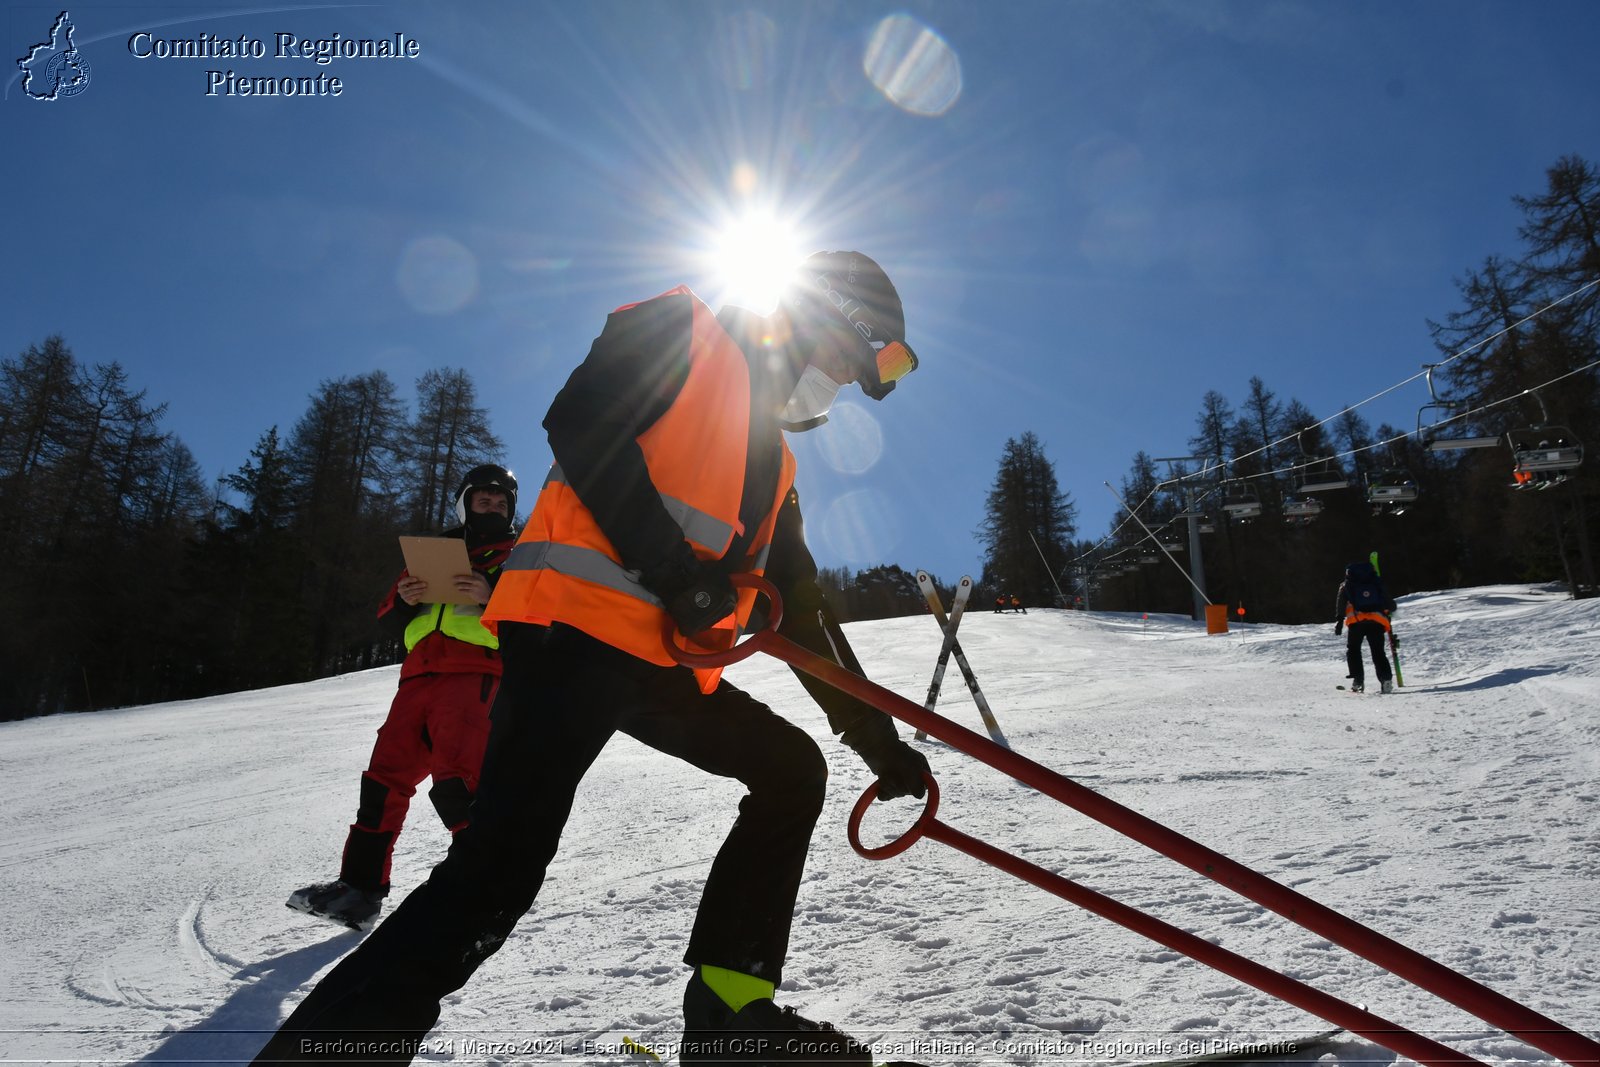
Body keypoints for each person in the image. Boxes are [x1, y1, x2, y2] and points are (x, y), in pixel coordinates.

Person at [253, 251, 931, 1066]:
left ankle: (731, 1016)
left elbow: (804, 614)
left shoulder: (773, 463)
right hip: (566, 639)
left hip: (658, 665)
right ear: (818, 321)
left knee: (791, 770)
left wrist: (879, 743)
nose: (833, 391)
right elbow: (581, 421)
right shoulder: (683, 329)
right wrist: (677, 572)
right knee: (495, 876)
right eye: (841, 366)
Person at [284, 465, 519, 932]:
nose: (491, 508)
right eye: (482, 500)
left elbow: (541, 618)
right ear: (465, 503)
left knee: (459, 784)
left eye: (500, 502)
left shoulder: (522, 555)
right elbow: (388, 617)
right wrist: (407, 597)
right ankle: (359, 891)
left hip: (475, 675)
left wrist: (492, 595)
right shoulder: (434, 554)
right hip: (416, 679)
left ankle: (484, 890)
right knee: (382, 783)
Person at [1334, 559, 1397, 694]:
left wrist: (1339, 621)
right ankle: (1386, 680)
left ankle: (1358, 680)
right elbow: (1391, 604)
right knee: (1378, 652)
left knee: (1354, 650)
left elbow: (1340, 603)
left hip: (1356, 622)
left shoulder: (1347, 584)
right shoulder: (1376, 582)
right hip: (1377, 622)